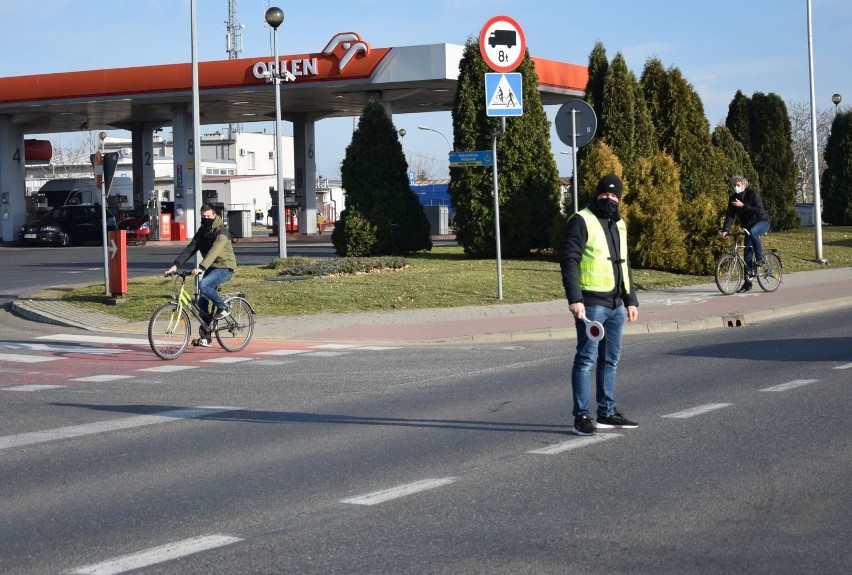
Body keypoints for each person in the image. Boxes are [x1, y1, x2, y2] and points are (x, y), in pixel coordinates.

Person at [560, 173, 639, 436]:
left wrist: (631, 300)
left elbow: (625, 264)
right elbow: (569, 260)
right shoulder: (582, 220)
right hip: (591, 303)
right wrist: (575, 298)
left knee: (611, 360)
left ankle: (606, 412)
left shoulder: (620, 224)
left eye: (614, 196)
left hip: (616, 304)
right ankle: (581, 416)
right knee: (586, 359)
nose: (609, 199)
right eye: (605, 194)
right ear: (597, 194)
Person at [165, 204, 237, 347]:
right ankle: (206, 337)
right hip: (211, 268)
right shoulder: (202, 231)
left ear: (215, 216)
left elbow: (214, 252)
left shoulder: (221, 232)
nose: (206, 219)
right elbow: (191, 248)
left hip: (225, 267)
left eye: (208, 216)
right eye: (203, 217)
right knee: (202, 302)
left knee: (204, 285)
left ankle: (224, 308)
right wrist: (175, 265)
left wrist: (201, 267)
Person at [718, 175, 771, 293]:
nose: (736, 187)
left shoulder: (752, 193)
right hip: (748, 227)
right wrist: (725, 230)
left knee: (753, 232)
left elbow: (759, 210)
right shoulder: (733, 198)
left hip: (762, 222)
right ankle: (747, 284)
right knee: (747, 255)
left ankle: (760, 258)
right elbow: (730, 216)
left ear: (744, 185)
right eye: (734, 185)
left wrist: (743, 206)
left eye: (738, 185)